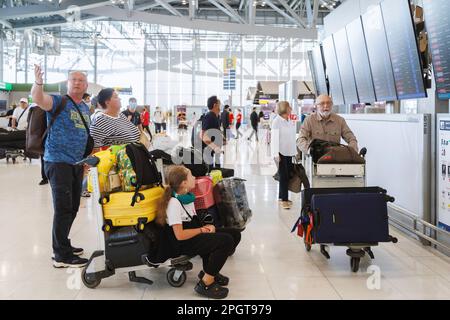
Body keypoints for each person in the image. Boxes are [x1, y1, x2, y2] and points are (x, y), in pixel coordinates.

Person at [31, 65, 91, 268]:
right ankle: (61, 255)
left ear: (86, 85)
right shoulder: (58, 101)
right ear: (67, 83)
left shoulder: (84, 108)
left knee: (73, 207)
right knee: (63, 208)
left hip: (76, 164)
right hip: (58, 162)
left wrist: (84, 163)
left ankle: (62, 242)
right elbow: (38, 98)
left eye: (81, 80)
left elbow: (85, 136)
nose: (77, 82)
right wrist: (38, 83)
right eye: (73, 79)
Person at [154, 165, 241, 299]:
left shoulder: (187, 197)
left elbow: (193, 221)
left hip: (192, 234)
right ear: (184, 183)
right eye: (191, 176)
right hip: (181, 242)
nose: (194, 177)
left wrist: (207, 227)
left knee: (234, 234)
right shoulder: (174, 203)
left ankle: (209, 270)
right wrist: (202, 230)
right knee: (226, 241)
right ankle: (206, 283)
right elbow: (180, 235)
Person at [271, 101, 297, 210]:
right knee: (284, 176)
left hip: (289, 152)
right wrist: (276, 154)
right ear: (285, 108)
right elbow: (275, 138)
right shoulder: (277, 121)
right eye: (289, 106)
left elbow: (291, 137)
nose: (291, 108)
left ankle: (281, 197)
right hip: (280, 152)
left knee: (287, 175)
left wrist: (295, 151)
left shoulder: (289, 120)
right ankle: (284, 200)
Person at [202, 96, 223, 170]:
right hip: (209, 152)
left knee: (217, 170)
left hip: (214, 151)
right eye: (219, 104)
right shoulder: (209, 117)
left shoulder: (215, 116)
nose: (220, 107)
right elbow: (204, 136)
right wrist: (215, 147)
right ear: (215, 105)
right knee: (210, 171)